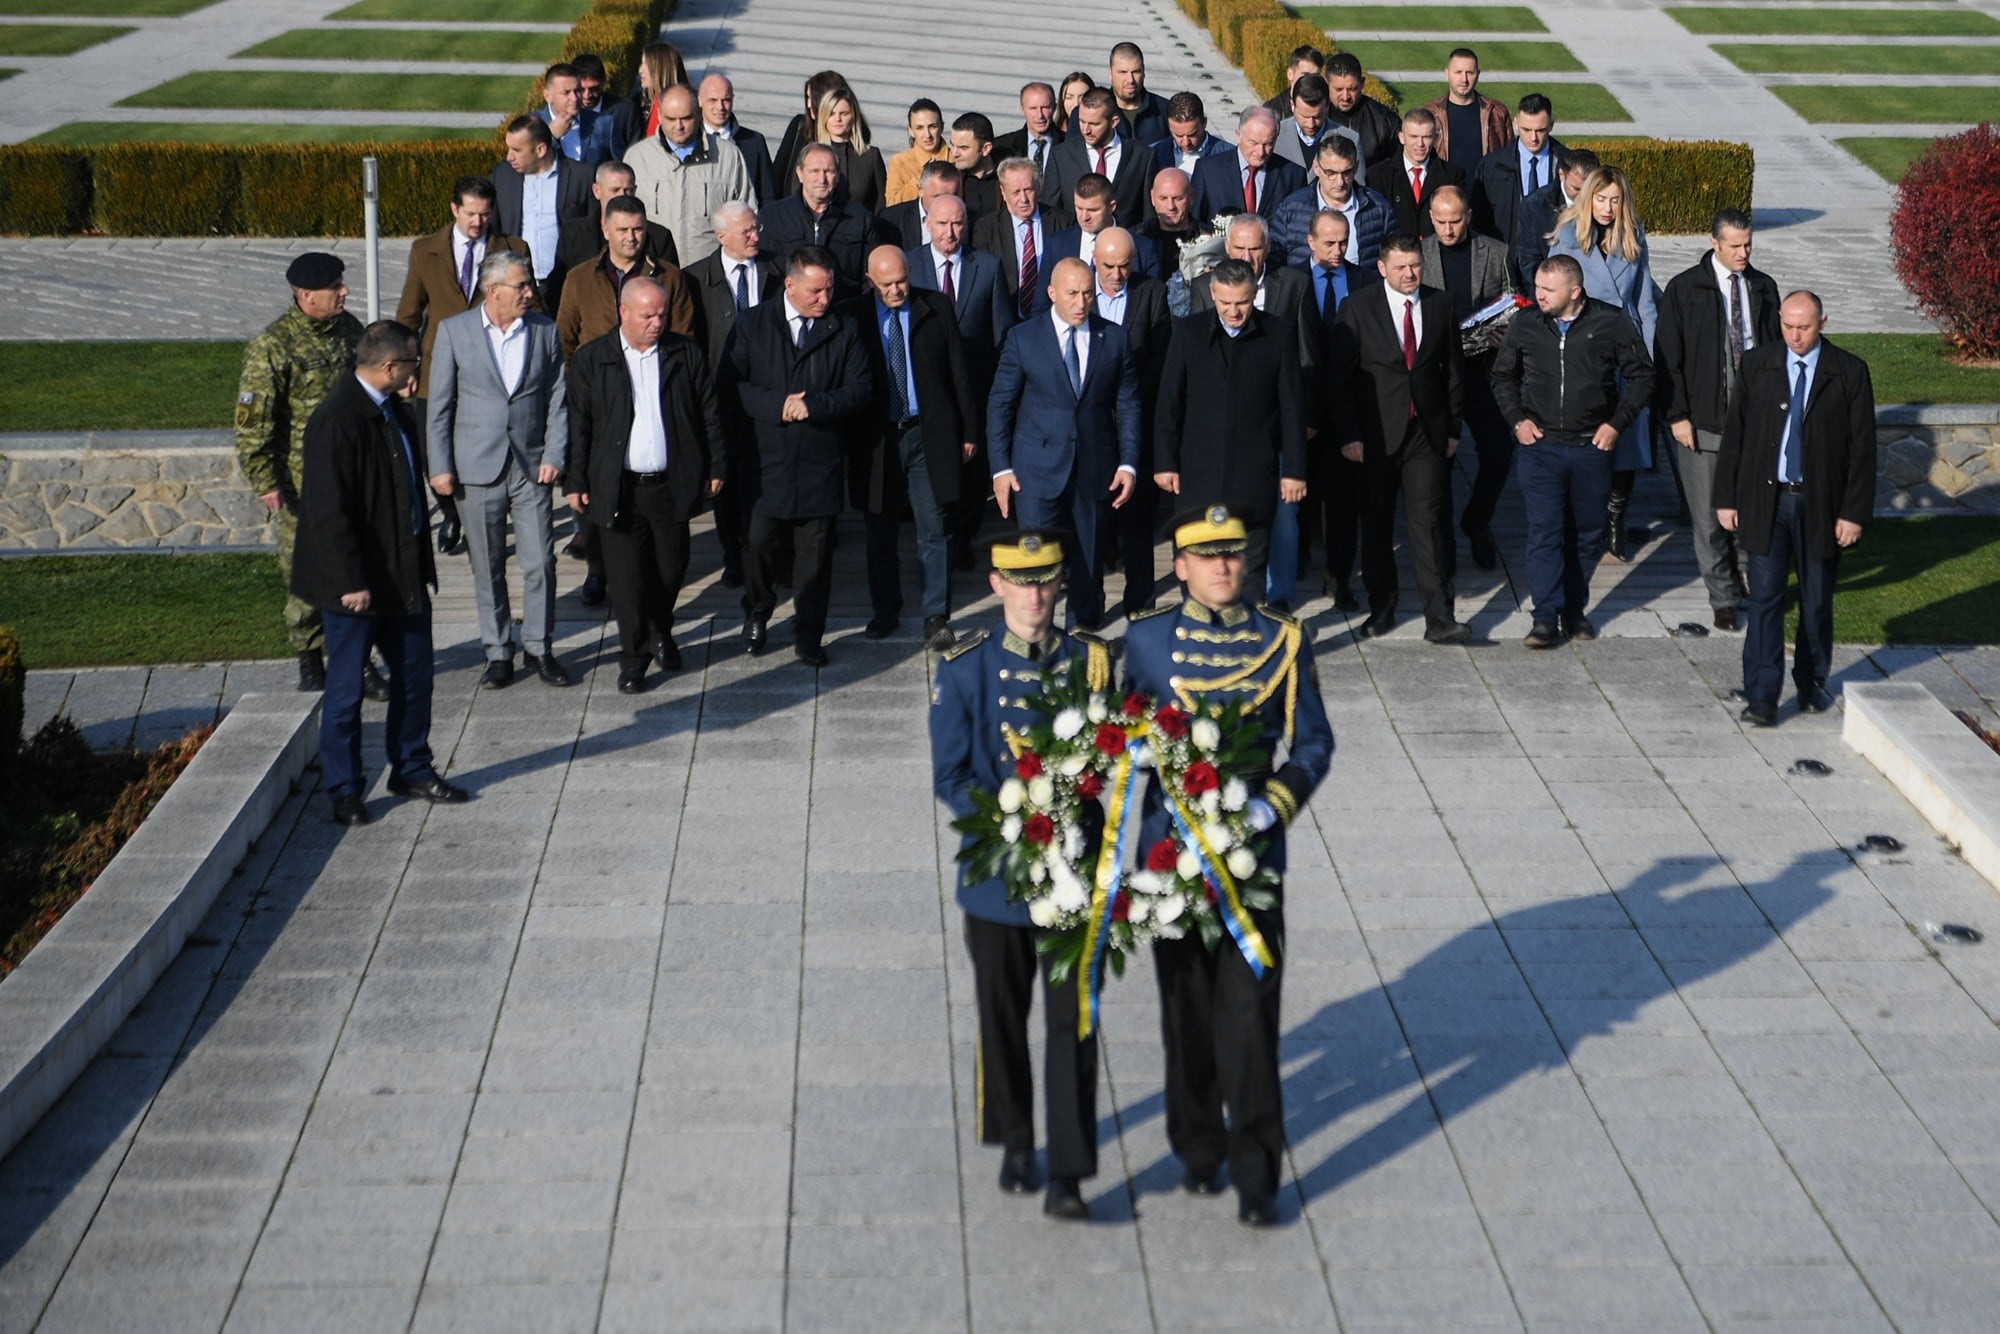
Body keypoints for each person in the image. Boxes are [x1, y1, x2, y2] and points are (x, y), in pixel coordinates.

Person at [1122, 505, 1332, 1227]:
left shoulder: (1284, 640)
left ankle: (1256, 1172)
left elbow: (1313, 744)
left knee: (1250, 1018)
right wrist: (1139, 751)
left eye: (1234, 555)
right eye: (1206, 557)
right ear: (1178, 566)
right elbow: (1120, 730)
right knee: (1185, 1016)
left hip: (1250, 860)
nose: (1223, 567)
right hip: (1172, 854)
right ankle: (1197, 1147)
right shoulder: (1146, 642)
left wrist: (1273, 808)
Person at [929, 530, 1110, 1222]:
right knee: (1002, 1018)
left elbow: (1111, 758)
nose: (1035, 596)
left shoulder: (1091, 662)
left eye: (1046, 582)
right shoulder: (966, 668)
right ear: (997, 584)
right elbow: (951, 773)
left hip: (1073, 878)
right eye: (1021, 581)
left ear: (1060, 584)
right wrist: (1012, 819)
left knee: (1074, 1025)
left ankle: (1068, 1169)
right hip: (1000, 879)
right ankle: (1015, 1139)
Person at [291, 320, 463, 826]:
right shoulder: (336, 420)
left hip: (402, 574)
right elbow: (327, 511)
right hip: (355, 586)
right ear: (390, 367)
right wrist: (349, 582)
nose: (418, 372)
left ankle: (410, 766)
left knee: (414, 676)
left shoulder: (396, 412)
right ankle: (344, 789)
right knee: (345, 691)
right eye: (414, 363)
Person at [1715, 293, 1875, 726]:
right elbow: (1737, 436)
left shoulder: (1849, 372)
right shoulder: (1758, 365)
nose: (1796, 335)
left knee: (1817, 598)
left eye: (1804, 327)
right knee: (1765, 599)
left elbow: (1862, 450)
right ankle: (1762, 696)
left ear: (1823, 321)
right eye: (1788, 326)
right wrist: (1727, 498)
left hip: (1822, 506)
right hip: (1769, 502)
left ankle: (1811, 683)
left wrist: (1853, 513)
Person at [565, 277, 727, 693]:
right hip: (617, 488)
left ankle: (661, 628)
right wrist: (576, 479)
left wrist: (715, 465)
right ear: (624, 313)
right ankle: (633, 659)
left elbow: (709, 414)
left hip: (670, 484)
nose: (657, 322)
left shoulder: (683, 353)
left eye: (662, 314)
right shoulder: (593, 359)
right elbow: (579, 426)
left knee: (671, 568)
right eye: (648, 315)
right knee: (626, 580)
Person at [1490, 256, 1654, 648]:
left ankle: (1574, 610)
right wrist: (1517, 420)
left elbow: (1643, 375)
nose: (1538, 296)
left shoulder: (1610, 323)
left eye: (1547, 290)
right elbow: (1502, 376)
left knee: (1585, 536)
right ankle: (1544, 617)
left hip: (1590, 449)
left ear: (1574, 292)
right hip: (1541, 448)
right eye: (1537, 287)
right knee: (1545, 533)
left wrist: (1617, 423)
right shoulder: (1527, 324)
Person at [722, 246, 874, 667]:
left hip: (818, 460)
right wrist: (777, 406)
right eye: (814, 291)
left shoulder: (842, 328)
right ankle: (757, 609)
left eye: (828, 290)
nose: (824, 299)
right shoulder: (753, 325)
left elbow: (860, 388)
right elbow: (732, 385)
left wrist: (815, 406)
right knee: (757, 545)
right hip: (765, 459)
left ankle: (809, 633)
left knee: (815, 555)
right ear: (789, 285)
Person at [426, 252, 571, 689]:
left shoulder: (545, 331)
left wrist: (555, 454)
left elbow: (559, 399)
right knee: (486, 564)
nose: (530, 292)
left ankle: (539, 648)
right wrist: (441, 467)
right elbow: (440, 407)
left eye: (528, 285)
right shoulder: (454, 332)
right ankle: (497, 651)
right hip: (476, 467)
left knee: (540, 561)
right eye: (521, 286)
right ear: (494, 291)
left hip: (530, 466)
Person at [1328, 231, 1469, 644]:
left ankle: (1440, 616)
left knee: (1429, 525)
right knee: (1376, 525)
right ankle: (1382, 606)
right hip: (1374, 437)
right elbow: (1340, 380)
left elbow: (1454, 373)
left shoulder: (1441, 304)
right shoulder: (1356, 308)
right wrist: (1349, 434)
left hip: (1426, 433)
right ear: (1381, 268)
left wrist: (1454, 428)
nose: (1410, 274)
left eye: (1416, 266)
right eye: (1401, 267)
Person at [987, 257, 1141, 630]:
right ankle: (1035, 634)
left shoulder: (1115, 337)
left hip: (1093, 466)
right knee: (1037, 560)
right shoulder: (1023, 338)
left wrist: (1128, 463)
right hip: (1036, 470)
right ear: (1052, 293)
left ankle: (1084, 633)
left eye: (1088, 293)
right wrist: (1001, 469)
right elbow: (1001, 404)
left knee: (1088, 559)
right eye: (1072, 293)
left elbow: (1128, 404)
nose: (1081, 302)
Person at [236, 252, 366, 694]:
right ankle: (310, 658)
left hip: (355, 476)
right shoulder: (272, 346)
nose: (345, 292)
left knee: (360, 566)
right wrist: (265, 479)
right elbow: (253, 421)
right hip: (302, 483)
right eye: (336, 287)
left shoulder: (351, 332)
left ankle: (359, 659)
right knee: (306, 572)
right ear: (307, 296)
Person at [1655, 208, 1781, 632]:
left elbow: (1777, 351)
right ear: (1715, 243)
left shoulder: (1763, 287)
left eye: (1748, 245)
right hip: (1703, 420)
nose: (1744, 253)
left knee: (1750, 507)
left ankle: (1747, 574)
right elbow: (1668, 359)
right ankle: (1722, 596)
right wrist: (1678, 416)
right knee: (1709, 517)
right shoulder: (1684, 290)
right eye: (1735, 246)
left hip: (1753, 419)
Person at [394, 177, 533, 559]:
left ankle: (480, 523)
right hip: (438, 366)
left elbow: (530, 305)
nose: (478, 221)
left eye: (485, 214)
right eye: (471, 213)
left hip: (492, 371)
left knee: (482, 450)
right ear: (455, 209)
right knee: (430, 451)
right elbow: (409, 313)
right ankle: (452, 513)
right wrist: (406, 369)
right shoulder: (426, 251)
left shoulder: (513, 248)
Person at [1154, 257, 1309, 595]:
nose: (1234, 311)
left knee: (1249, 566)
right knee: (1195, 559)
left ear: (1255, 295)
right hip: (1196, 473)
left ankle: (1248, 637)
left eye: (1242, 302)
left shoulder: (1278, 334)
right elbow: (1169, 404)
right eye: (1225, 302)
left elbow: (1293, 408)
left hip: (1255, 472)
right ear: (1212, 293)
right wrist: (1165, 462)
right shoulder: (1188, 333)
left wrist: (1294, 470)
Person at [849, 245, 977, 651]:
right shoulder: (854, 316)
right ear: (870, 281)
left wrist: (970, 430)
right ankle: (885, 609)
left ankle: (936, 614)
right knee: (879, 528)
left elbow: (960, 372)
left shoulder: (935, 306)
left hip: (927, 433)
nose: (896, 290)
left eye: (901, 280)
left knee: (934, 525)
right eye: (885, 284)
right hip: (876, 438)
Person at [1549, 164, 1660, 561]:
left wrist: (1646, 360)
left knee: (1627, 440)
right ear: (1588, 197)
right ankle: (1584, 521)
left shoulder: (1634, 236)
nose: (1608, 207)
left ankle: (1617, 518)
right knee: (1585, 437)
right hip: (1584, 348)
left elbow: (1645, 303)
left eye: (1615, 199)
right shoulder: (1566, 236)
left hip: (1626, 348)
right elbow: (1551, 297)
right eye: (1601, 198)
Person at [685, 201, 782, 589]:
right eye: (746, 232)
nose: (756, 236)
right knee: (726, 482)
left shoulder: (777, 270)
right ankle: (734, 555)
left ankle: (772, 556)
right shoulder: (695, 280)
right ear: (722, 237)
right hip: (721, 399)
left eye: (756, 228)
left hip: (770, 394)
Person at [1422, 185, 1514, 573]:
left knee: (1498, 452)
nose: (1448, 229)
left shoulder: (1496, 252)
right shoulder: (1419, 255)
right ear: (1431, 218)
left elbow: (1513, 298)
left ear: (1469, 216)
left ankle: (1477, 521)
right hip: (1437, 372)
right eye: (1441, 221)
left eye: (1455, 220)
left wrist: (1505, 329)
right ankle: (1440, 545)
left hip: (1481, 368)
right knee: (1436, 460)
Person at [1299, 210, 1377, 610]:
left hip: (1348, 409)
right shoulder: (1291, 282)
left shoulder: (1364, 282)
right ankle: (1298, 559)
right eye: (1328, 243)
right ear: (1310, 242)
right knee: (1300, 495)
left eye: (1343, 242)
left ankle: (1339, 578)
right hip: (1303, 410)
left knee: (1343, 501)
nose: (1337, 250)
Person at [1091, 227, 1171, 616]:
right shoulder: (1078, 292)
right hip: (1090, 421)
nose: (1116, 274)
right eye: (1108, 266)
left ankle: (1139, 599)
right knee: (1093, 518)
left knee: (1138, 517)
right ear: (1094, 259)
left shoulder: (1151, 292)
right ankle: (1091, 601)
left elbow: (1160, 353)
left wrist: (1130, 393)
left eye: (1124, 266)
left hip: (1135, 416)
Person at [624, 84, 759, 268]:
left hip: (710, 275)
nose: (678, 126)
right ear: (660, 115)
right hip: (652, 271)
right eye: (671, 119)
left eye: (686, 118)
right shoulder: (638, 157)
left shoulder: (727, 155)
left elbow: (748, 212)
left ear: (698, 114)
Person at [555, 195, 696, 359]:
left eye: (638, 229)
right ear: (606, 230)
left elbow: (683, 335)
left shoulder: (670, 276)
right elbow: (564, 339)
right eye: (622, 230)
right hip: (597, 377)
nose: (631, 238)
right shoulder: (579, 279)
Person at [493, 115, 593, 314]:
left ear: (540, 149)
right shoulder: (502, 176)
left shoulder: (582, 176)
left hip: (567, 284)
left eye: (516, 150)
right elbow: (494, 229)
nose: (508, 157)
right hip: (518, 285)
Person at [760, 142, 879, 301]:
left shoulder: (861, 219)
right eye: (814, 171)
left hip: (844, 311)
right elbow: (763, 271)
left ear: (837, 176)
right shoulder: (772, 216)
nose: (822, 179)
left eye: (829, 171)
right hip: (787, 314)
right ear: (800, 174)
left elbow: (869, 276)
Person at [1470, 93, 1563, 271]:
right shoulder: (1491, 166)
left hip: (1553, 263)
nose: (1533, 138)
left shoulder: (1566, 164)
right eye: (1526, 130)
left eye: (1540, 130)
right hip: (1505, 263)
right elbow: (1479, 222)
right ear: (1515, 124)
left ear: (1551, 126)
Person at [1271, 134, 1393, 269]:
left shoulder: (1378, 207)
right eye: (1331, 173)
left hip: (1361, 288)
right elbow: (1274, 260)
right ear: (1317, 168)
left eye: (1347, 173)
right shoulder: (1291, 208)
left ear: (1356, 167)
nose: (1340, 182)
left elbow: (1393, 258)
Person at [553, 160, 679, 288]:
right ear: (597, 191)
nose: (622, 196)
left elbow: (671, 283)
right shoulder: (574, 233)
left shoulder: (659, 236)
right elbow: (560, 284)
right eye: (615, 190)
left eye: (628, 190)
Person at [1041, 88, 1155, 225]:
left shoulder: (1142, 156)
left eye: (1094, 124)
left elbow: (1148, 217)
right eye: (1082, 121)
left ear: (1114, 122)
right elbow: (1051, 214)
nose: (1086, 130)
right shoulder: (1061, 156)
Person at [974, 157, 1062, 320]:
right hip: (1007, 322)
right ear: (1003, 192)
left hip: (1052, 319)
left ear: (1038, 187)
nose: (1023, 199)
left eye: (1028, 190)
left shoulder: (1062, 222)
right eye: (1015, 192)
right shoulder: (987, 229)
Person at [1512, 146, 1597, 312]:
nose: (1583, 196)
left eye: (1589, 189)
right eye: (1576, 189)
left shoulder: (1603, 205)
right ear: (1561, 175)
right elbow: (1528, 260)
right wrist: (1556, 289)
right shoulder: (1534, 206)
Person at [1188, 106, 1303, 222]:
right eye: (1253, 142)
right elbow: (1194, 223)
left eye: (1268, 144)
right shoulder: (1208, 171)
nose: (1260, 152)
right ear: (1238, 135)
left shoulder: (1293, 175)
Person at [1366, 107, 1465, 238]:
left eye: (1427, 137)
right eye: (1414, 136)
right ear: (1401, 137)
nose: (1420, 144)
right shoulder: (1378, 176)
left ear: (1435, 138)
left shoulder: (1453, 175)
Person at [1046, 172, 1158, 275]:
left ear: (1111, 207)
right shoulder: (1057, 244)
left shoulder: (1143, 249)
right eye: (1079, 208)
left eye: (1093, 210)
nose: (1084, 217)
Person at [1421, 48, 1513, 170]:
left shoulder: (1498, 113)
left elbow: (1511, 158)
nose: (1464, 79)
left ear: (1478, 74)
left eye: (1469, 73)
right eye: (1458, 72)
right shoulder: (1430, 114)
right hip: (1445, 187)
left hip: (1486, 188)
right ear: (1447, 74)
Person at [698, 72, 776, 205]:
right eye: (713, 100)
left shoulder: (754, 142)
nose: (720, 107)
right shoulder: (690, 142)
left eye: (726, 100)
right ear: (699, 101)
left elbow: (768, 196)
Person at [810, 85, 887, 214]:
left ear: (853, 116)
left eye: (844, 114)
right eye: (832, 114)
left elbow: (881, 202)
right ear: (824, 117)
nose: (837, 119)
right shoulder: (810, 155)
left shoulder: (870, 156)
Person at [535, 60, 623, 169]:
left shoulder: (604, 123)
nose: (575, 98)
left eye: (578, 91)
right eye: (566, 93)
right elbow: (528, 166)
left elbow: (619, 169)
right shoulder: (531, 126)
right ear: (548, 96)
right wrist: (551, 137)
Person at [1322, 52, 1402, 169]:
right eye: (1338, 89)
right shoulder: (1315, 118)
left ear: (1362, 83)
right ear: (1326, 83)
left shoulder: (1385, 120)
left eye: (1352, 89)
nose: (1345, 96)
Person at [772, 69, 848, 186]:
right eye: (807, 97)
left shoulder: (846, 139)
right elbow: (777, 172)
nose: (808, 104)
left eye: (812, 98)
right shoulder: (799, 126)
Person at [1275, 74, 1356, 174]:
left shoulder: (1350, 139)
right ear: (1292, 105)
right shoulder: (1275, 136)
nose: (1311, 124)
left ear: (1327, 107)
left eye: (1317, 117)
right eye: (1304, 116)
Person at [878, 160, 961, 252]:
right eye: (938, 197)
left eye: (952, 197)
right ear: (921, 190)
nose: (945, 204)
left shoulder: (971, 222)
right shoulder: (891, 220)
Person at [886, 97, 950, 206]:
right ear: (911, 131)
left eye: (932, 126)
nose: (927, 135)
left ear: (942, 127)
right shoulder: (900, 162)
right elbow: (892, 204)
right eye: (919, 128)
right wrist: (922, 178)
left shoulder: (956, 159)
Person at [1106, 41, 1173, 144]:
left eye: (1136, 72)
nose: (1130, 80)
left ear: (1143, 72)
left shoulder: (1165, 111)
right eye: (1123, 72)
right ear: (1110, 73)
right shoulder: (1092, 113)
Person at [1138, 167, 1199, 280]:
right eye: (1163, 198)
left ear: (1191, 197)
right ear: (1152, 198)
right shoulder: (1137, 239)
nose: (1171, 206)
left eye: (1178, 198)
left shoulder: (1207, 238)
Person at [1151, 91, 1230, 174]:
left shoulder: (1228, 156)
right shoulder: (1153, 154)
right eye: (1179, 135)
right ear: (1169, 126)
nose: (1186, 143)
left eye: (1192, 135)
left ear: (1204, 123)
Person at [993, 81, 1064, 172]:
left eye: (1045, 107)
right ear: (1022, 109)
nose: (1040, 115)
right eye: (1033, 108)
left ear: (1054, 107)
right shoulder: (1002, 146)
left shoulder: (1070, 145)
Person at [947, 112, 1002, 222]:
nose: (954, 153)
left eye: (963, 148)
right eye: (952, 145)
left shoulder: (1006, 179)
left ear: (986, 148)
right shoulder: (950, 179)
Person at [574, 52, 636, 149]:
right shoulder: (563, 113)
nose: (587, 96)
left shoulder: (624, 111)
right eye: (581, 90)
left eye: (594, 89)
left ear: (604, 82)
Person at [632, 41, 690, 142]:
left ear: (662, 68)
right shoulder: (645, 102)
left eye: (647, 64)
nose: (640, 70)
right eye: (641, 63)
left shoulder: (683, 105)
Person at [1262, 45, 1324, 120]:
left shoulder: (1326, 108)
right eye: (1305, 75)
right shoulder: (1272, 111)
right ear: (1290, 74)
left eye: (1315, 76)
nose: (1310, 81)